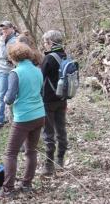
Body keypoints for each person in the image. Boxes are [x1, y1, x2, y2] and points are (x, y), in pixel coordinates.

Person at [0, 42, 45, 197]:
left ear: (13, 57)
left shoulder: (15, 73)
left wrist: (4, 97)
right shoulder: (37, 70)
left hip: (23, 117)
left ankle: (8, 189)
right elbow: (40, 92)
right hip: (39, 115)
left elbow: (9, 99)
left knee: (10, 153)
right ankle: (27, 184)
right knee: (31, 151)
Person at [40, 30, 69, 176]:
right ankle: (60, 160)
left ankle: (49, 165)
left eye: (45, 42)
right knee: (61, 130)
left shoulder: (49, 58)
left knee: (48, 132)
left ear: (51, 43)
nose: (44, 45)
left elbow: (40, 78)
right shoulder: (67, 56)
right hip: (62, 99)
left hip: (48, 101)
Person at [0, 21, 18, 132]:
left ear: (11, 28)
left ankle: (0, 121)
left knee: (2, 96)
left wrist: (1, 44)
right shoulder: (3, 39)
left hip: (6, 71)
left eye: (6, 28)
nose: (4, 31)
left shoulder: (14, 40)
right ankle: (3, 117)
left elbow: (5, 55)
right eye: (2, 29)